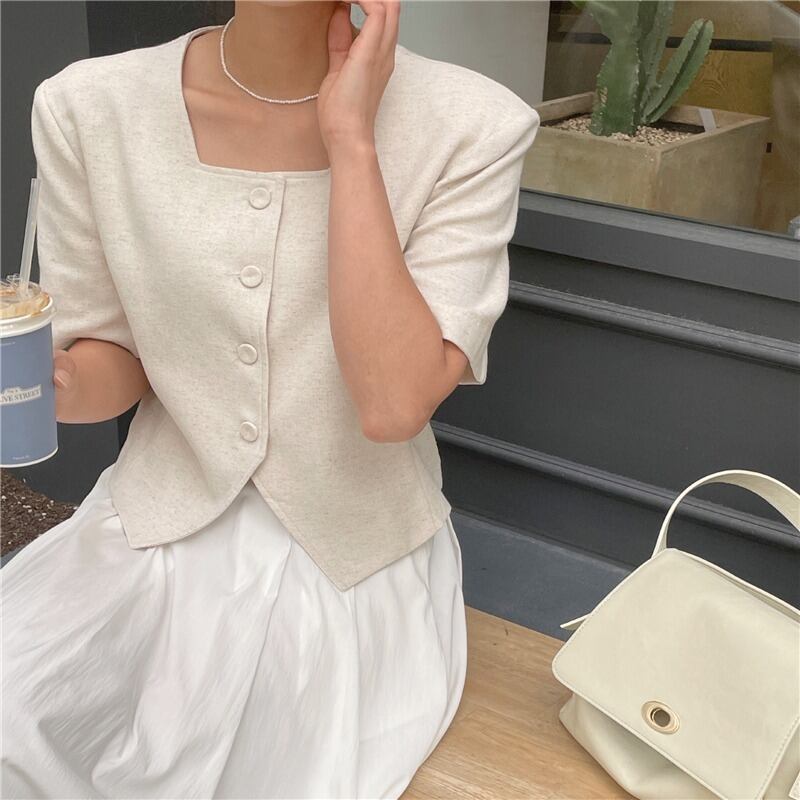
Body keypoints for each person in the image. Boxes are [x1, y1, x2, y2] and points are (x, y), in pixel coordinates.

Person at [1, 1, 540, 798]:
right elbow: (112, 355)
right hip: (153, 531)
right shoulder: (89, 106)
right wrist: (49, 383)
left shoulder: (473, 125)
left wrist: (351, 141)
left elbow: (392, 405)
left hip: (348, 560)